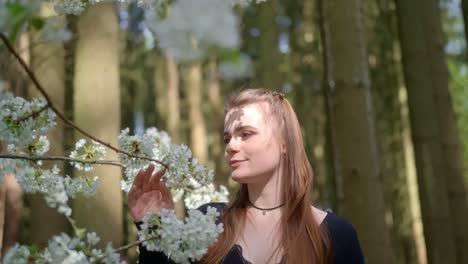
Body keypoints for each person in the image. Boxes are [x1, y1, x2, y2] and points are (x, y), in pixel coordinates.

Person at [129, 89, 365, 264]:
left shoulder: (334, 235)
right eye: (227, 138)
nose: (231, 146)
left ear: (285, 142)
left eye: (246, 134)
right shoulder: (208, 222)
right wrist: (154, 230)